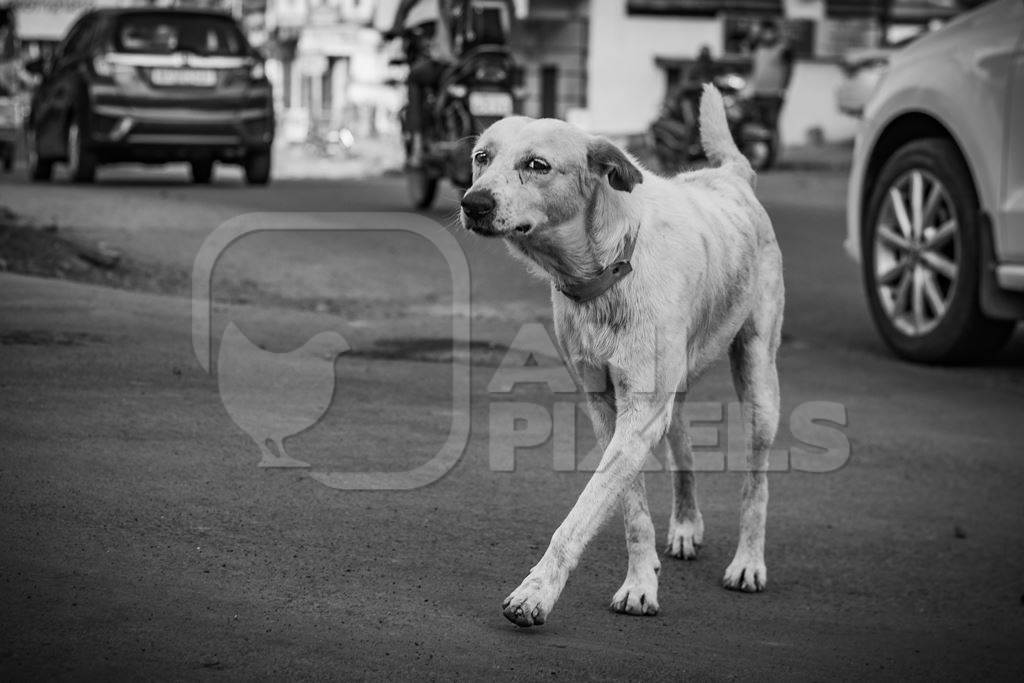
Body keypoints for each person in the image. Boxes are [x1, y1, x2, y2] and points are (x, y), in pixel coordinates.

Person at [386, 0, 455, 166]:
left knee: (414, 78)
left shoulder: (430, 14)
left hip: (448, 63)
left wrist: (395, 32)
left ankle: (417, 145)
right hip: (472, 63)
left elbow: (404, 10)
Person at [746, 20, 793, 132]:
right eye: (764, 32)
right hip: (758, 93)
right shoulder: (758, 48)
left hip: (774, 94)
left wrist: (784, 89)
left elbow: (789, 70)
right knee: (758, 125)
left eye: (770, 31)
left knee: (772, 126)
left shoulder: (783, 49)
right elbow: (749, 43)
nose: (767, 35)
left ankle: (774, 149)